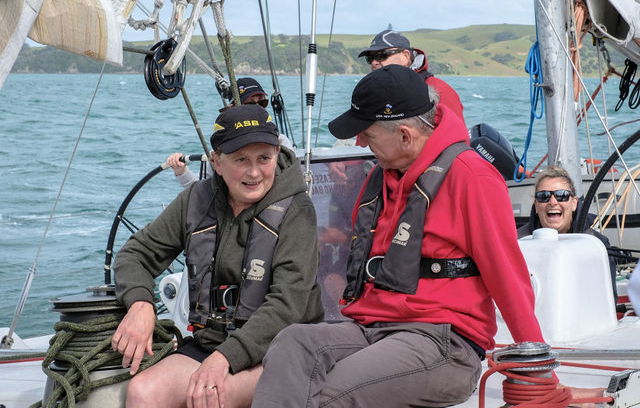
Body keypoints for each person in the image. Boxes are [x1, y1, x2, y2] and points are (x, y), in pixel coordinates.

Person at [251, 65, 548, 407]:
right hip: (371, 328)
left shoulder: (471, 176)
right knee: (292, 343)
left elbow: (507, 276)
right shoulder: (381, 175)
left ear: (405, 136)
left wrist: (539, 370)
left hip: (442, 342)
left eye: (368, 134)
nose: (359, 142)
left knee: (325, 396)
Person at [111, 104, 324, 408]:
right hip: (211, 345)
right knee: (143, 393)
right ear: (217, 162)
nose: (254, 172)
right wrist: (141, 303)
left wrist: (227, 356)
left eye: (264, 158)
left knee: (207, 396)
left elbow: (288, 305)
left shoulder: (296, 211)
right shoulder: (196, 200)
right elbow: (136, 253)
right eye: (241, 160)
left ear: (277, 154)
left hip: (279, 351)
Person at [166, 77, 291, 188]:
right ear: (232, 107)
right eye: (250, 103)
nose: (258, 107)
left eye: (262, 102)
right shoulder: (223, 148)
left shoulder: (281, 141)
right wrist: (181, 171)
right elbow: (199, 190)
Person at [517, 165, 618, 302]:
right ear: (536, 204)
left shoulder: (597, 245)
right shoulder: (518, 243)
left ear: (574, 203)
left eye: (561, 195)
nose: (553, 202)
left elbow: (608, 299)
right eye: (544, 196)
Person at [358, 29, 464, 122]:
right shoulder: (375, 91)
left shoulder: (440, 90)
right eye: (370, 58)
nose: (374, 63)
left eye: (381, 55)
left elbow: (458, 140)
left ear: (405, 56)